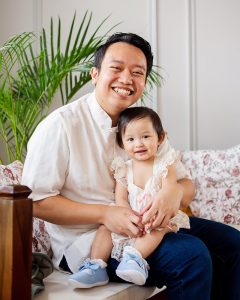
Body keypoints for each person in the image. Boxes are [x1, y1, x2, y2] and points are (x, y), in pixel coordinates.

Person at [21, 32, 240, 300]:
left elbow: (187, 184)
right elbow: (35, 202)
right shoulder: (61, 125)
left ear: (144, 81)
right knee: (191, 256)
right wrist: (105, 214)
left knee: (233, 243)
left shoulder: (143, 126)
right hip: (88, 242)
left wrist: (173, 193)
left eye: (137, 72)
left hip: (146, 225)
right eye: (116, 68)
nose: (126, 79)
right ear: (94, 74)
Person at [68, 106, 191, 288]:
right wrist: (127, 216)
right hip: (129, 217)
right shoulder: (123, 168)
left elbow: (169, 191)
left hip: (156, 216)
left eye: (146, 137)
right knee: (104, 228)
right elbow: (121, 198)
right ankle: (96, 266)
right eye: (131, 139)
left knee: (156, 228)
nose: (138, 144)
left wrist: (154, 214)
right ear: (122, 144)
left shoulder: (165, 164)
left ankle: (134, 259)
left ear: (160, 138)